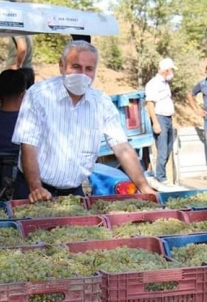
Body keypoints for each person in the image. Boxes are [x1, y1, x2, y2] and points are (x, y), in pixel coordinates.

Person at [11, 40, 156, 202]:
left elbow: (122, 147)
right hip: (33, 189)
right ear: (61, 66)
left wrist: (144, 187)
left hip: (74, 192)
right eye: (76, 67)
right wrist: (36, 188)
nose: (82, 74)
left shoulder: (101, 103)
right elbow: (28, 145)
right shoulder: (38, 95)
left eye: (89, 69)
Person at [145, 58, 177, 186]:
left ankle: (161, 174)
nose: (172, 73)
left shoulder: (165, 83)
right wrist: (156, 123)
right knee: (162, 148)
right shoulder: (153, 84)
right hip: (160, 118)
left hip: (168, 117)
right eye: (171, 70)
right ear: (166, 70)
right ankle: (161, 176)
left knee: (168, 147)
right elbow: (150, 104)